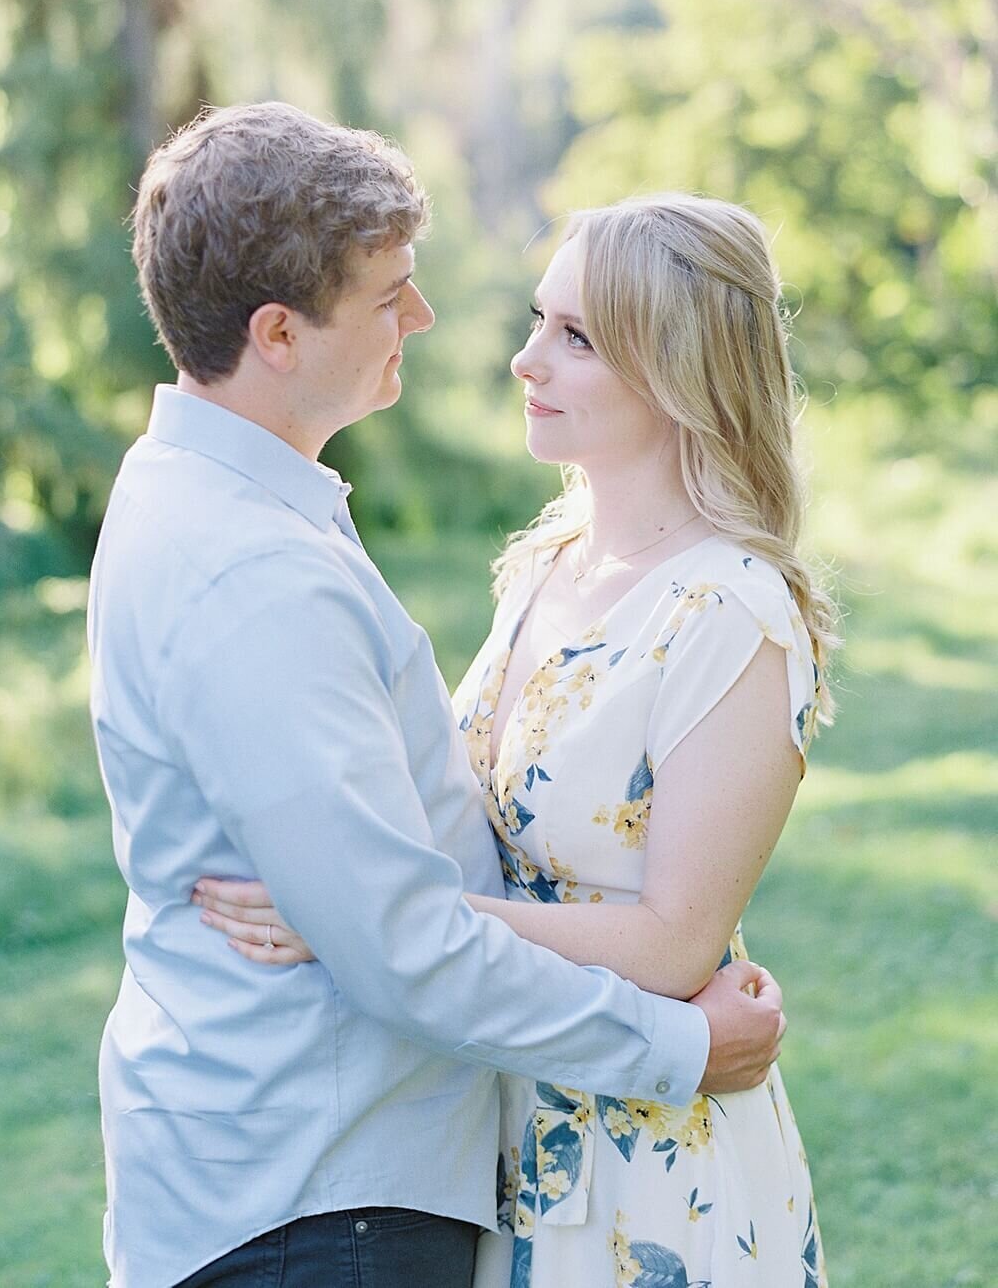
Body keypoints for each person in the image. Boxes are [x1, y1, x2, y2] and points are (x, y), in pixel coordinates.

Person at [87, 104, 785, 1288]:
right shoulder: (259, 570)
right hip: (318, 1197)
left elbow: (393, 907)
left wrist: (352, 914)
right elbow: (399, 942)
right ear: (277, 332)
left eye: (575, 332)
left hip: (361, 1170)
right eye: (386, 294)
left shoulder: (208, 500)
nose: (422, 317)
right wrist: (678, 1042)